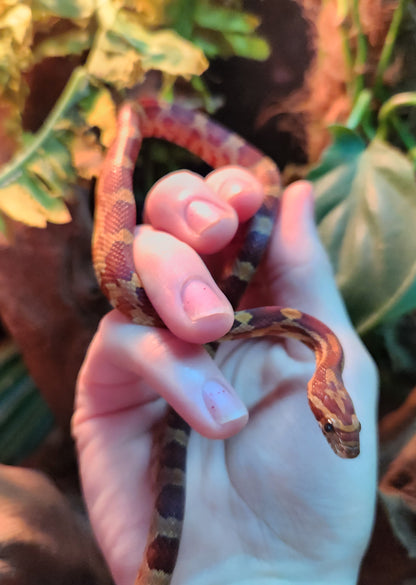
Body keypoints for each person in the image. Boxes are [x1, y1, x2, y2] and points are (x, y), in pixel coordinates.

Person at [72, 169, 378, 585]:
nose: (342, 442)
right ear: (321, 399)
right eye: (332, 425)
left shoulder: (324, 349)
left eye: (339, 427)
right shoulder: (317, 343)